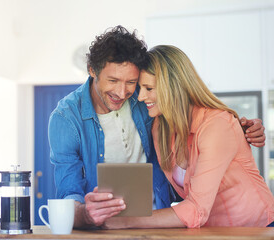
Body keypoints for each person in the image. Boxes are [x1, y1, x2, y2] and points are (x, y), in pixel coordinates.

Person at [48, 26, 266, 229]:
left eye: (133, 83)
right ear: (92, 70)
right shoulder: (66, 118)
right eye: (113, 80)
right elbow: (69, 192)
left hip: (235, 227)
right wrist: (85, 215)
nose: (125, 93)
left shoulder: (146, 104)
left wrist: (239, 128)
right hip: (115, 225)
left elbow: (197, 114)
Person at [103, 45, 274, 229]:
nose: (142, 96)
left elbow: (197, 209)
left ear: (174, 86)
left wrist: (127, 221)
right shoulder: (160, 128)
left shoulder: (217, 125)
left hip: (259, 229)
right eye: (140, 88)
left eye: (149, 88)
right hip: (213, 232)